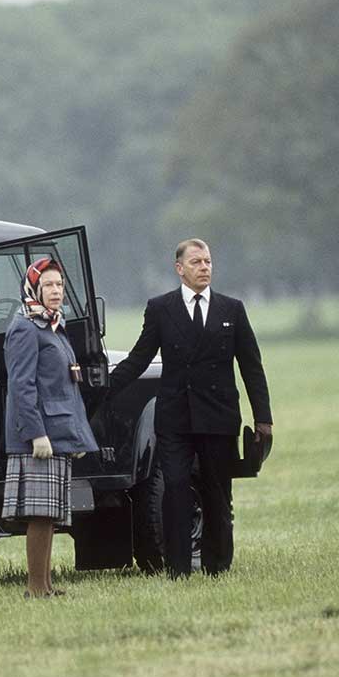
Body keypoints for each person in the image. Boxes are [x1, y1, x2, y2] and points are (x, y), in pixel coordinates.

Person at [109, 238, 273, 578]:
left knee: (216, 491)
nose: (204, 268)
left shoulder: (232, 309)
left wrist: (263, 419)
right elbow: (140, 357)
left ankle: (218, 566)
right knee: (176, 488)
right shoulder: (160, 308)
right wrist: (102, 386)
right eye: (196, 262)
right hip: (175, 419)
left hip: (219, 417)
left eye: (208, 262)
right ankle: (178, 569)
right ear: (179, 268)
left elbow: (251, 366)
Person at [1, 256, 98, 598]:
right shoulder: (26, 328)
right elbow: (21, 386)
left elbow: (67, 387)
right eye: (49, 285)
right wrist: (35, 433)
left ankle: (45, 586)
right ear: (34, 289)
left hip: (58, 433)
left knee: (51, 514)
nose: (56, 291)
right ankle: (35, 589)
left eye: (59, 284)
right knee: (40, 515)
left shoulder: (54, 326)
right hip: (38, 437)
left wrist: (77, 434)